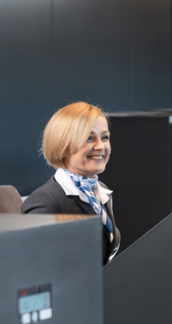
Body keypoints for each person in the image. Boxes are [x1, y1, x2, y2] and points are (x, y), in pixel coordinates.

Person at [22, 102, 120, 264]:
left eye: (105, 137)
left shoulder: (100, 191)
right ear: (63, 144)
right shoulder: (45, 201)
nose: (100, 146)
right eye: (89, 138)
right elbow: (33, 268)